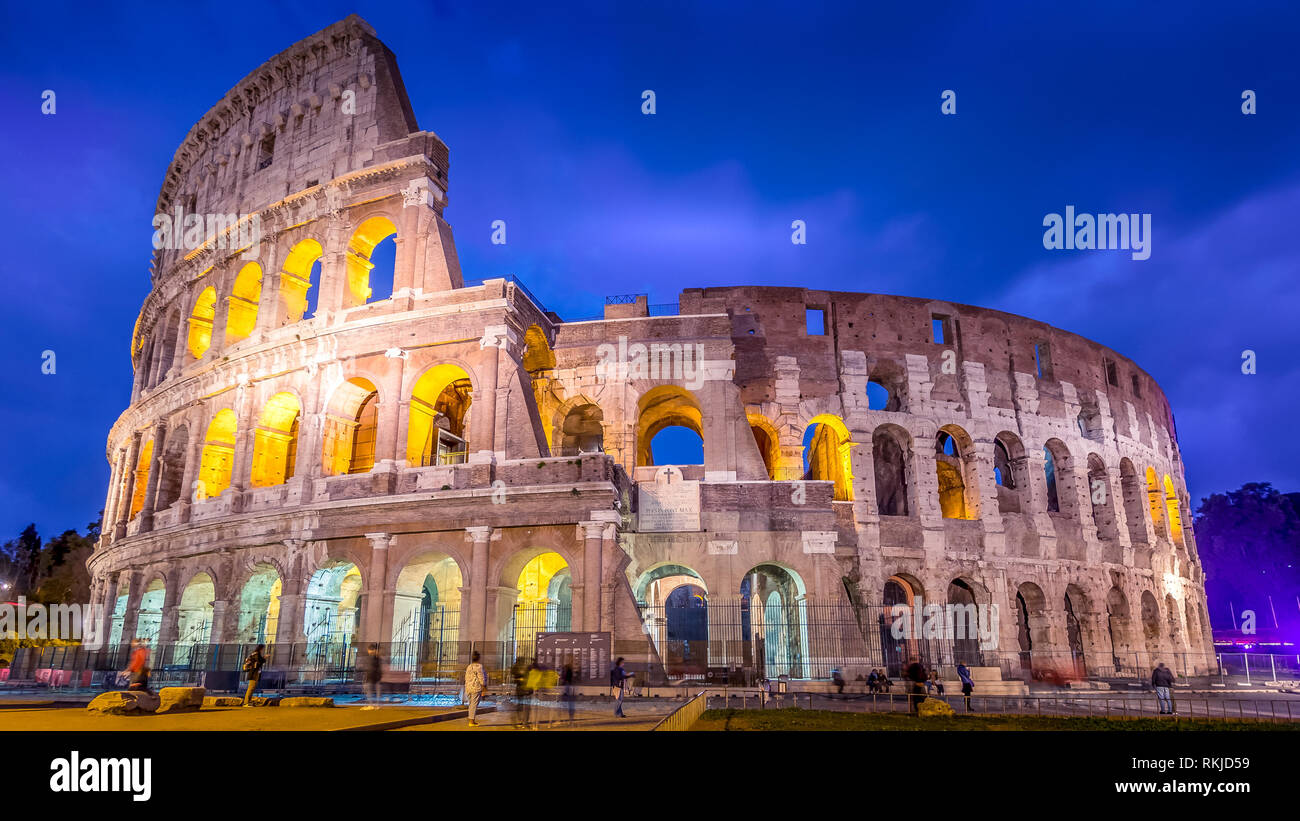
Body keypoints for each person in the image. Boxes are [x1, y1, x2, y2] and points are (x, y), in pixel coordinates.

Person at [464, 651, 486, 726]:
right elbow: (481, 678)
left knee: (471, 704)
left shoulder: (469, 666)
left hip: (468, 688)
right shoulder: (479, 666)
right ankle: (471, 721)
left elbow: (466, 677)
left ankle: (471, 718)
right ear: (479, 658)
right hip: (476, 688)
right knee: (474, 704)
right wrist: (484, 686)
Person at [361, 643, 384, 710]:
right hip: (376, 676)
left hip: (371, 676)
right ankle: (377, 705)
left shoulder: (372, 657)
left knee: (368, 689)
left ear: (370, 650)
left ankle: (371, 705)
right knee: (377, 690)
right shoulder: (378, 657)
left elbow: (370, 667)